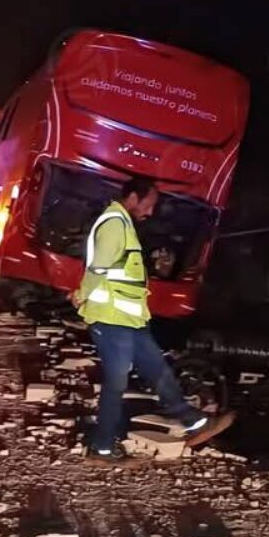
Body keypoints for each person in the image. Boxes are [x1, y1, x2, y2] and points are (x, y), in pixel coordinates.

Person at [73, 177, 208, 462]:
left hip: (130, 320)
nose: (150, 211)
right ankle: (102, 446)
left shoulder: (123, 224)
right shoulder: (113, 224)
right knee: (116, 383)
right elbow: (98, 268)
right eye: (149, 204)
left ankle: (191, 420)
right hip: (111, 319)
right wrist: (82, 296)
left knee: (157, 368)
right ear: (133, 197)